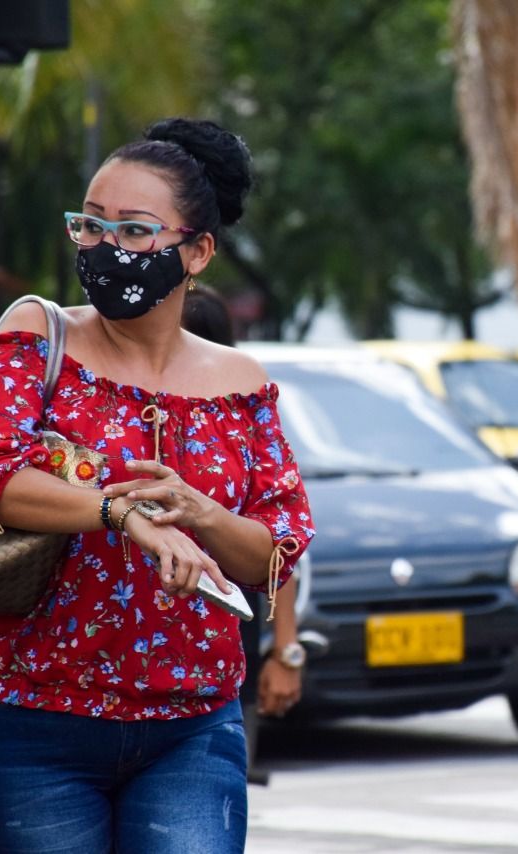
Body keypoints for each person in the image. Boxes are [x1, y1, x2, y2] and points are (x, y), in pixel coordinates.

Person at [0, 117, 314, 853]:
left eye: (137, 231)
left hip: (192, 724)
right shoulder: (38, 334)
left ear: (197, 251)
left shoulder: (241, 383)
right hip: (28, 716)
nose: (106, 248)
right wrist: (117, 511)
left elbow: (276, 552)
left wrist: (202, 512)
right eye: (90, 225)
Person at [178, 282, 305, 779]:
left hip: (221, 671)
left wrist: (287, 652)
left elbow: (281, 550)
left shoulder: (240, 429)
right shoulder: (119, 418)